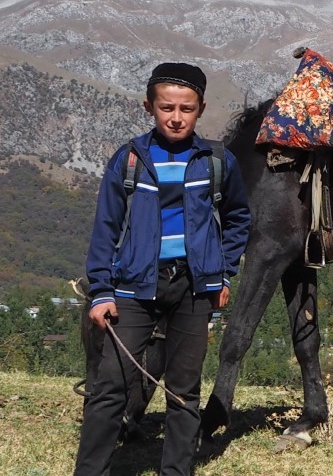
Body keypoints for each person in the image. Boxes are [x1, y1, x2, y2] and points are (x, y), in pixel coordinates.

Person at [75, 63, 249, 476]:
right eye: (166, 106)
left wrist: (222, 273)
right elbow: (106, 227)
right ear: (149, 107)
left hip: (193, 290)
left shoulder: (217, 162)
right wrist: (101, 291)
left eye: (186, 108)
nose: (176, 117)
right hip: (133, 289)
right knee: (110, 387)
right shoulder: (130, 159)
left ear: (201, 109)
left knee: (184, 392)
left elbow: (239, 218)